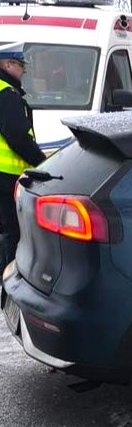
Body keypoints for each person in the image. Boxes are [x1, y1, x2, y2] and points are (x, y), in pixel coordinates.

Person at [0, 43, 46, 269]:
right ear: (8, 64)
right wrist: (43, 162)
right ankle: (8, 292)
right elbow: (17, 137)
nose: (24, 71)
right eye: (20, 65)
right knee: (13, 233)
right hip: (7, 176)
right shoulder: (6, 93)